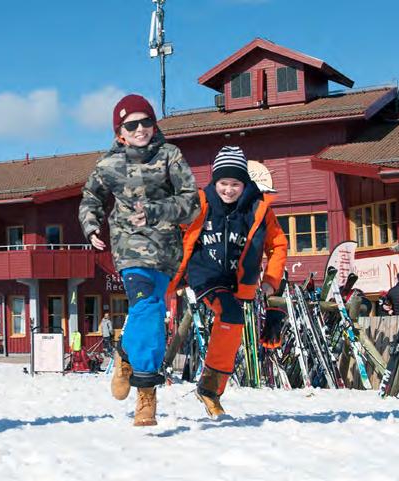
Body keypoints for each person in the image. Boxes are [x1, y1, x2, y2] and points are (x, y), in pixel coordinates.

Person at [78, 94, 199, 427]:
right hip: (130, 249)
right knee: (145, 306)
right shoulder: (108, 166)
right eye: (132, 125)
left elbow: (193, 203)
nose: (141, 129)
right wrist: (91, 228)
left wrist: (159, 211)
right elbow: (91, 199)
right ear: (120, 133)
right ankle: (146, 393)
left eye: (146, 121)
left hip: (166, 252)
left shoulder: (170, 156)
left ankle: (127, 355)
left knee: (152, 312)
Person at [167, 146, 287, 419]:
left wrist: (271, 280)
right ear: (214, 181)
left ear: (244, 183)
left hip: (238, 280)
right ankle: (209, 388)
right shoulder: (199, 202)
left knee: (233, 322)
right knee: (230, 313)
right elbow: (171, 226)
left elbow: (278, 245)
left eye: (235, 184)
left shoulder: (258, 208)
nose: (229, 190)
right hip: (205, 274)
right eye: (223, 183)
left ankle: (210, 388)